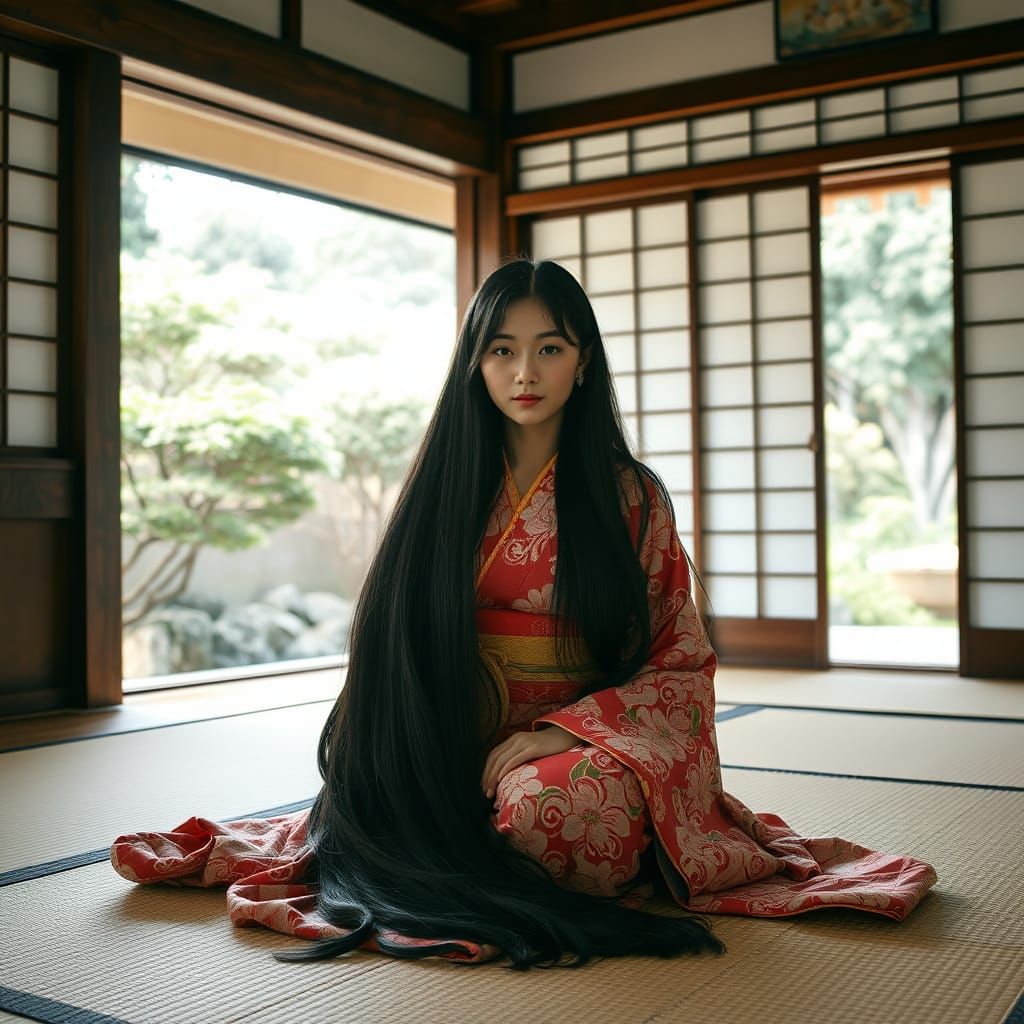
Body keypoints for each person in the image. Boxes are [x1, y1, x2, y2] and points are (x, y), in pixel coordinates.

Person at [261, 257, 936, 969]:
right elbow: (392, 640)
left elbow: (679, 662)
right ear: (475, 363)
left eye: (549, 348)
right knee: (381, 796)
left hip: (579, 745)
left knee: (552, 816)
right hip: (447, 735)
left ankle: (496, 842)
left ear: (583, 361)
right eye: (502, 350)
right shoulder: (443, 486)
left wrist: (562, 732)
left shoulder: (631, 497)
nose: (525, 372)